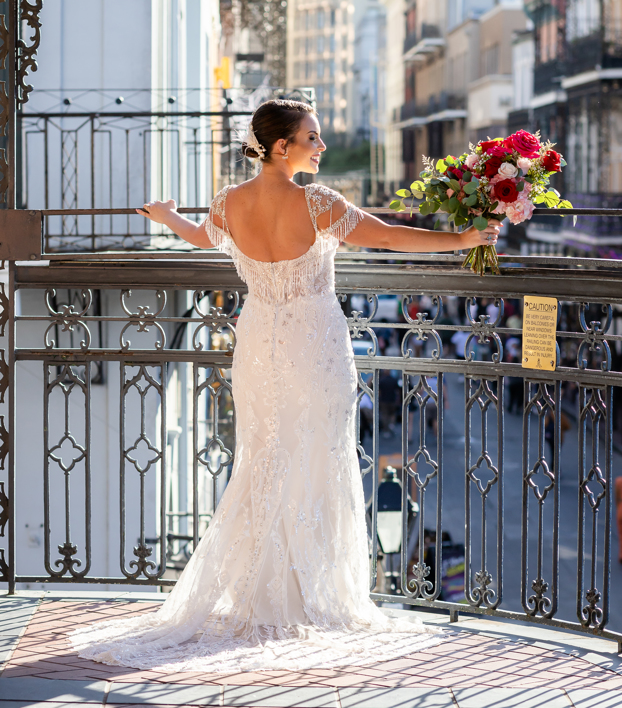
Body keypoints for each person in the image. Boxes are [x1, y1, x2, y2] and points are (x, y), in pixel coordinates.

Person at [70, 99, 500, 674]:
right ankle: (305, 595)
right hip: (314, 344)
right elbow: (391, 237)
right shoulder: (318, 203)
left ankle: (262, 594)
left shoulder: (229, 201)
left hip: (259, 342)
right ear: (282, 147)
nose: (321, 147)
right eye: (313, 138)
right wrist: (466, 238)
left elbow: (203, 238)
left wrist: (169, 216)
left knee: (265, 458)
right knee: (317, 459)